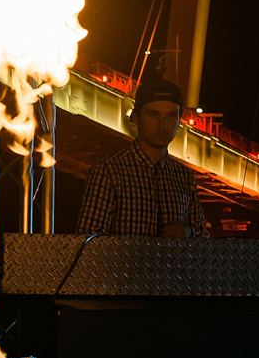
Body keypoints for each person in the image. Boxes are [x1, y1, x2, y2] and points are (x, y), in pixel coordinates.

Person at [76, 75, 209, 237]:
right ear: (136, 118)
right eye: (154, 114)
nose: (163, 125)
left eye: (171, 115)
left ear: (179, 120)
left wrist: (189, 231)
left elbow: (204, 238)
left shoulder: (185, 177)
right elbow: (89, 237)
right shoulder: (108, 171)